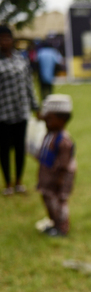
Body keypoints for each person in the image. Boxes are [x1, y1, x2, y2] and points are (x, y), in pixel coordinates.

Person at [0, 25, 40, 195]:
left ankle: (18, 181)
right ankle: (7, 183)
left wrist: (35, 106)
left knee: (19, 148)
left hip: (21, 112)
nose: (4, 42)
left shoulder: (20, 59)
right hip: (2, 114)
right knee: (3, 149)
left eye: (7, 38)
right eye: (1, 39)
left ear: (12, 40)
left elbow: (28, 85)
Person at [36, 94, 76, 236]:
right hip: (47, 179)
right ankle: (53, 223)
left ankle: (62, 228)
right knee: (49, 202)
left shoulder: (63, 140)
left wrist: (60, 180)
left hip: (58, 180)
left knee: (59, 204)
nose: (45, 121)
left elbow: (64, 165)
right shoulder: (50, 134)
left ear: (61, 120)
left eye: (49, 118)